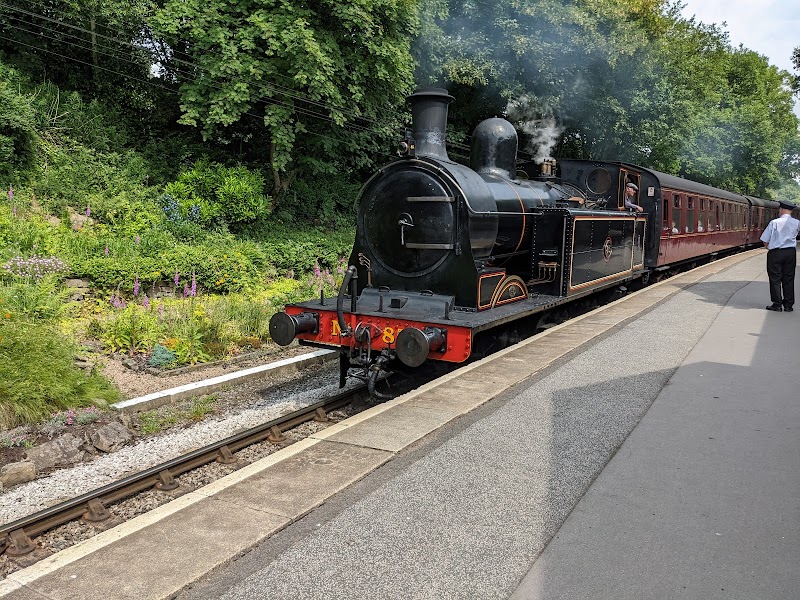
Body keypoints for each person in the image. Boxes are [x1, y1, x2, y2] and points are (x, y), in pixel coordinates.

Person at [760, 200, 800, 312]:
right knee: (789, 278)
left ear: (781, 209)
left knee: (775, 278)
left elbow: (765, 240)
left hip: (776, 253)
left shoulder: (774, 223)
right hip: (790, 252)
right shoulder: (797, 223)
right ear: (791, 211)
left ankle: (777, 304)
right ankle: (788, 305)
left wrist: (769, 247)